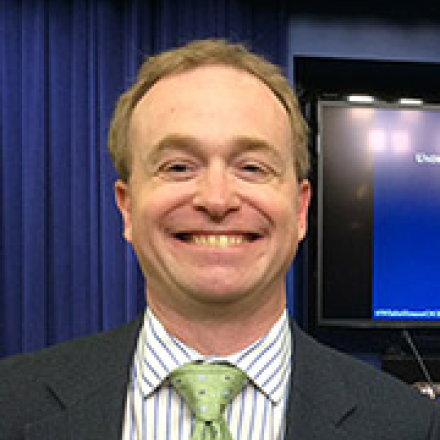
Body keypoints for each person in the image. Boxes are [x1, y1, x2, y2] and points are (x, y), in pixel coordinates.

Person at [0, 39, 439, 440]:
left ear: (301, 209)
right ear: (127, 207)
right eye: (177, 166)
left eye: (251, 167)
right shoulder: (11, 403)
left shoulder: (414, 427)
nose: (216, 199)